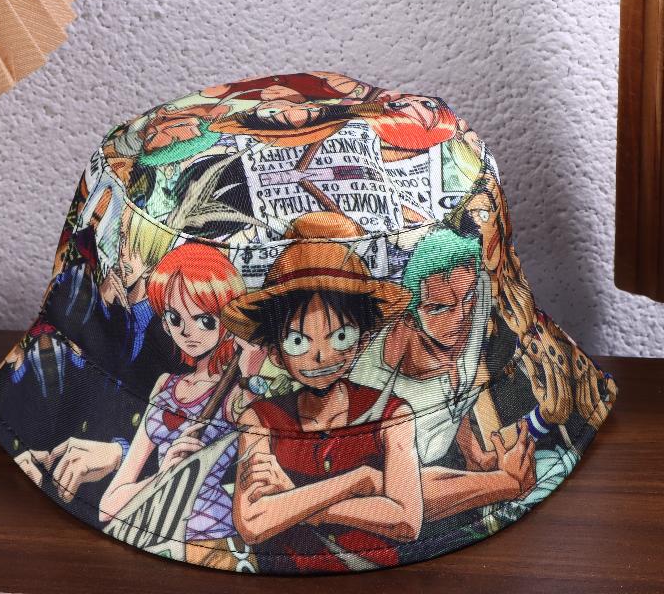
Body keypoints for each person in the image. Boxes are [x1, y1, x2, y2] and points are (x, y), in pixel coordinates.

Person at [222, 213, 424, 573]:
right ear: (276, 354)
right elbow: (252, 522)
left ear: (363, 340)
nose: (320, 356)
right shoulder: (260, 418)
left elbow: (406, 519)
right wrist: (358, 481)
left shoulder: (393, 414)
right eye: (298, 341)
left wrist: (292, 496)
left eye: (341, 336)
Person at [350, 227, 537, 525]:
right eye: (438, 308)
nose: (460, 317)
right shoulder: (371, 389)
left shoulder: (475, 296)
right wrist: (504, 483)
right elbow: (392, 494)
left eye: (467, 298)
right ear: (410, 317)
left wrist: (472, 453)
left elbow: (453, 394)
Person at [98, 243, 265, 568]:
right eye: (175, 318)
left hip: (217, 543)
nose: (187, 332)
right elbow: (108, 504)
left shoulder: (237, 392)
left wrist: (251, 376)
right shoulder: (166, 386)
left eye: (205, 320)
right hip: (157, 539)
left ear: (228, 320)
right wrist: (164, 477)